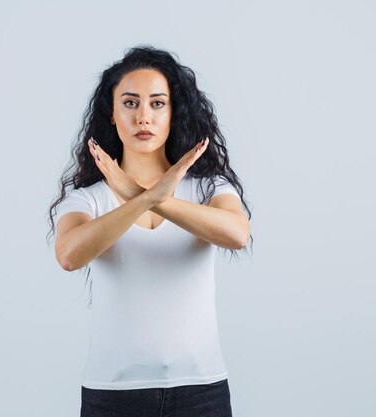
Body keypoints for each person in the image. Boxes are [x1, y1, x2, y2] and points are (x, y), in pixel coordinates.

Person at [46, 45, 252, 417]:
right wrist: (143, 199)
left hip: (201, 391)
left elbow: (237, 233)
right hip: (112, 395)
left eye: (157, 103)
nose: (144, 116)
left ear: (174, 112)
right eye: (130, 103)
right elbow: (68, 255)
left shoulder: (208, 188)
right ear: (111, 114)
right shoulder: (87, 200)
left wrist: (147, 197)